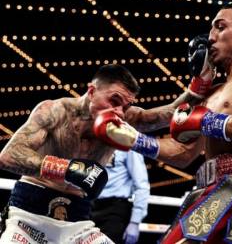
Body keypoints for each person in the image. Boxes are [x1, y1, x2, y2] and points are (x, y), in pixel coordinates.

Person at [94, 2, 232, 244]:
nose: (210, 38)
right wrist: (134, 139)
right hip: (209, 187)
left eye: (220, 27)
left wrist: (204, 119)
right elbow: (183, 153)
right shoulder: (213, 93)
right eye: (211, 30)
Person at [0, 63, 194, 244]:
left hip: (77, 222)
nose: (119, 112)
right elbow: (8, 156)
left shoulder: (123, 121)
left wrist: (200, 83)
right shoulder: (55, 111)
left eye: (125, 107)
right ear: (92, 91)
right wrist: (65, 168)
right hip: (28, 216)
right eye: (114, 101)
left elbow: (174, 113)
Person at [91, 150, 150, 244]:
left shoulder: (128, 144)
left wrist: (135, 222)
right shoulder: (92, 142)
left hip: (114, 210)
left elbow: (141, 185)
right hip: (87, 206)